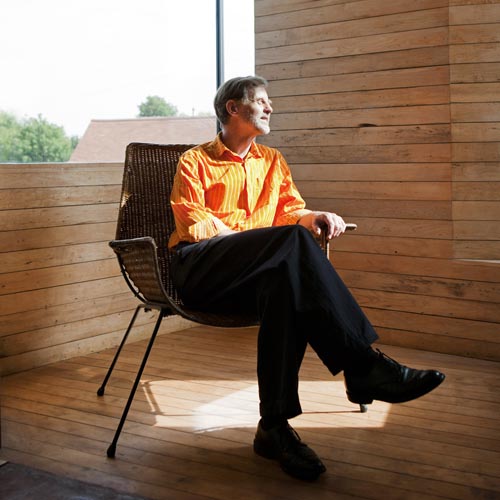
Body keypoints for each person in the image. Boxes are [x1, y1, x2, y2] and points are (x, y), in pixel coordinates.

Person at [169, 76, 445, 481]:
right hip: (199, 269)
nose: (270, 108)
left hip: (256, 274)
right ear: (233, 108)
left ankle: (274, 428)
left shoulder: (273, 161)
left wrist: (314, 217)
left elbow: (290, 212)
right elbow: (194, 223)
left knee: (285, 286)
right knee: (288, 244)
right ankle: (363, 364)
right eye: (261, 101)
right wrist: (260, 242)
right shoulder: (195, 161)